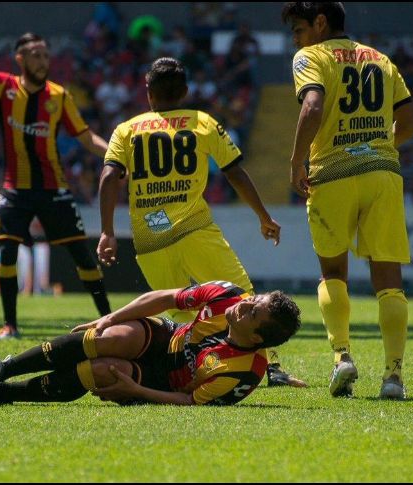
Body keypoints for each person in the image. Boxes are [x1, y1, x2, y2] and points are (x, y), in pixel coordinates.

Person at [97, 57, 305, 388]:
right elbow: (234, 170)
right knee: (244, 297)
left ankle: (188, 370)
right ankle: (271, 369)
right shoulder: (202, 122)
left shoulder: (127, 129)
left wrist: (107, 231)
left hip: (150, 240)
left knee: (179, 313)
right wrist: (264, 216)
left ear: (148, 91)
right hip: (194, 229)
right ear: (185, 92)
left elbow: (109, 176)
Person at [0, 2, 112, 339]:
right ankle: (10, 325)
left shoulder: (59, 96)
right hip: (14, 188)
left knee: (82, 257)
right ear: (20, 58)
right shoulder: (4, 87)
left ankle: (109, 320)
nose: (42, 61)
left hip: (53, 189)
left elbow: (86, 136)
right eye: (35, 55)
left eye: (45, 55)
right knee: (7, 252)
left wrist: (116, 156)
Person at [282, 2, 413, 399]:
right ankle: (393, 377)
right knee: (389, 281)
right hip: (382, 173)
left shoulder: (310, 57)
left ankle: (342, 357)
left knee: (333, 273)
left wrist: (295, 162)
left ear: (320, 23)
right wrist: (374, 147)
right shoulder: (380, 58)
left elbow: (312, 105)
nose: (295, 37)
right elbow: (409, 122)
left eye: (298, 28)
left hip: (332, 174)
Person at [0, 281, 301, 406]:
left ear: (256, 338)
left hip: (163, 381)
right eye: (253, 298)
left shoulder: (242, 373)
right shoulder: (228, 294)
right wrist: (108, 318)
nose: (244, 302)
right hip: (168, 337)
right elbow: (165, 297)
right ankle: (1, 369)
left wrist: (136, 391)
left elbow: (187, 399)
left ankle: (1, 394)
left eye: (252, 311)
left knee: (104, 371)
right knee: (112, 336)